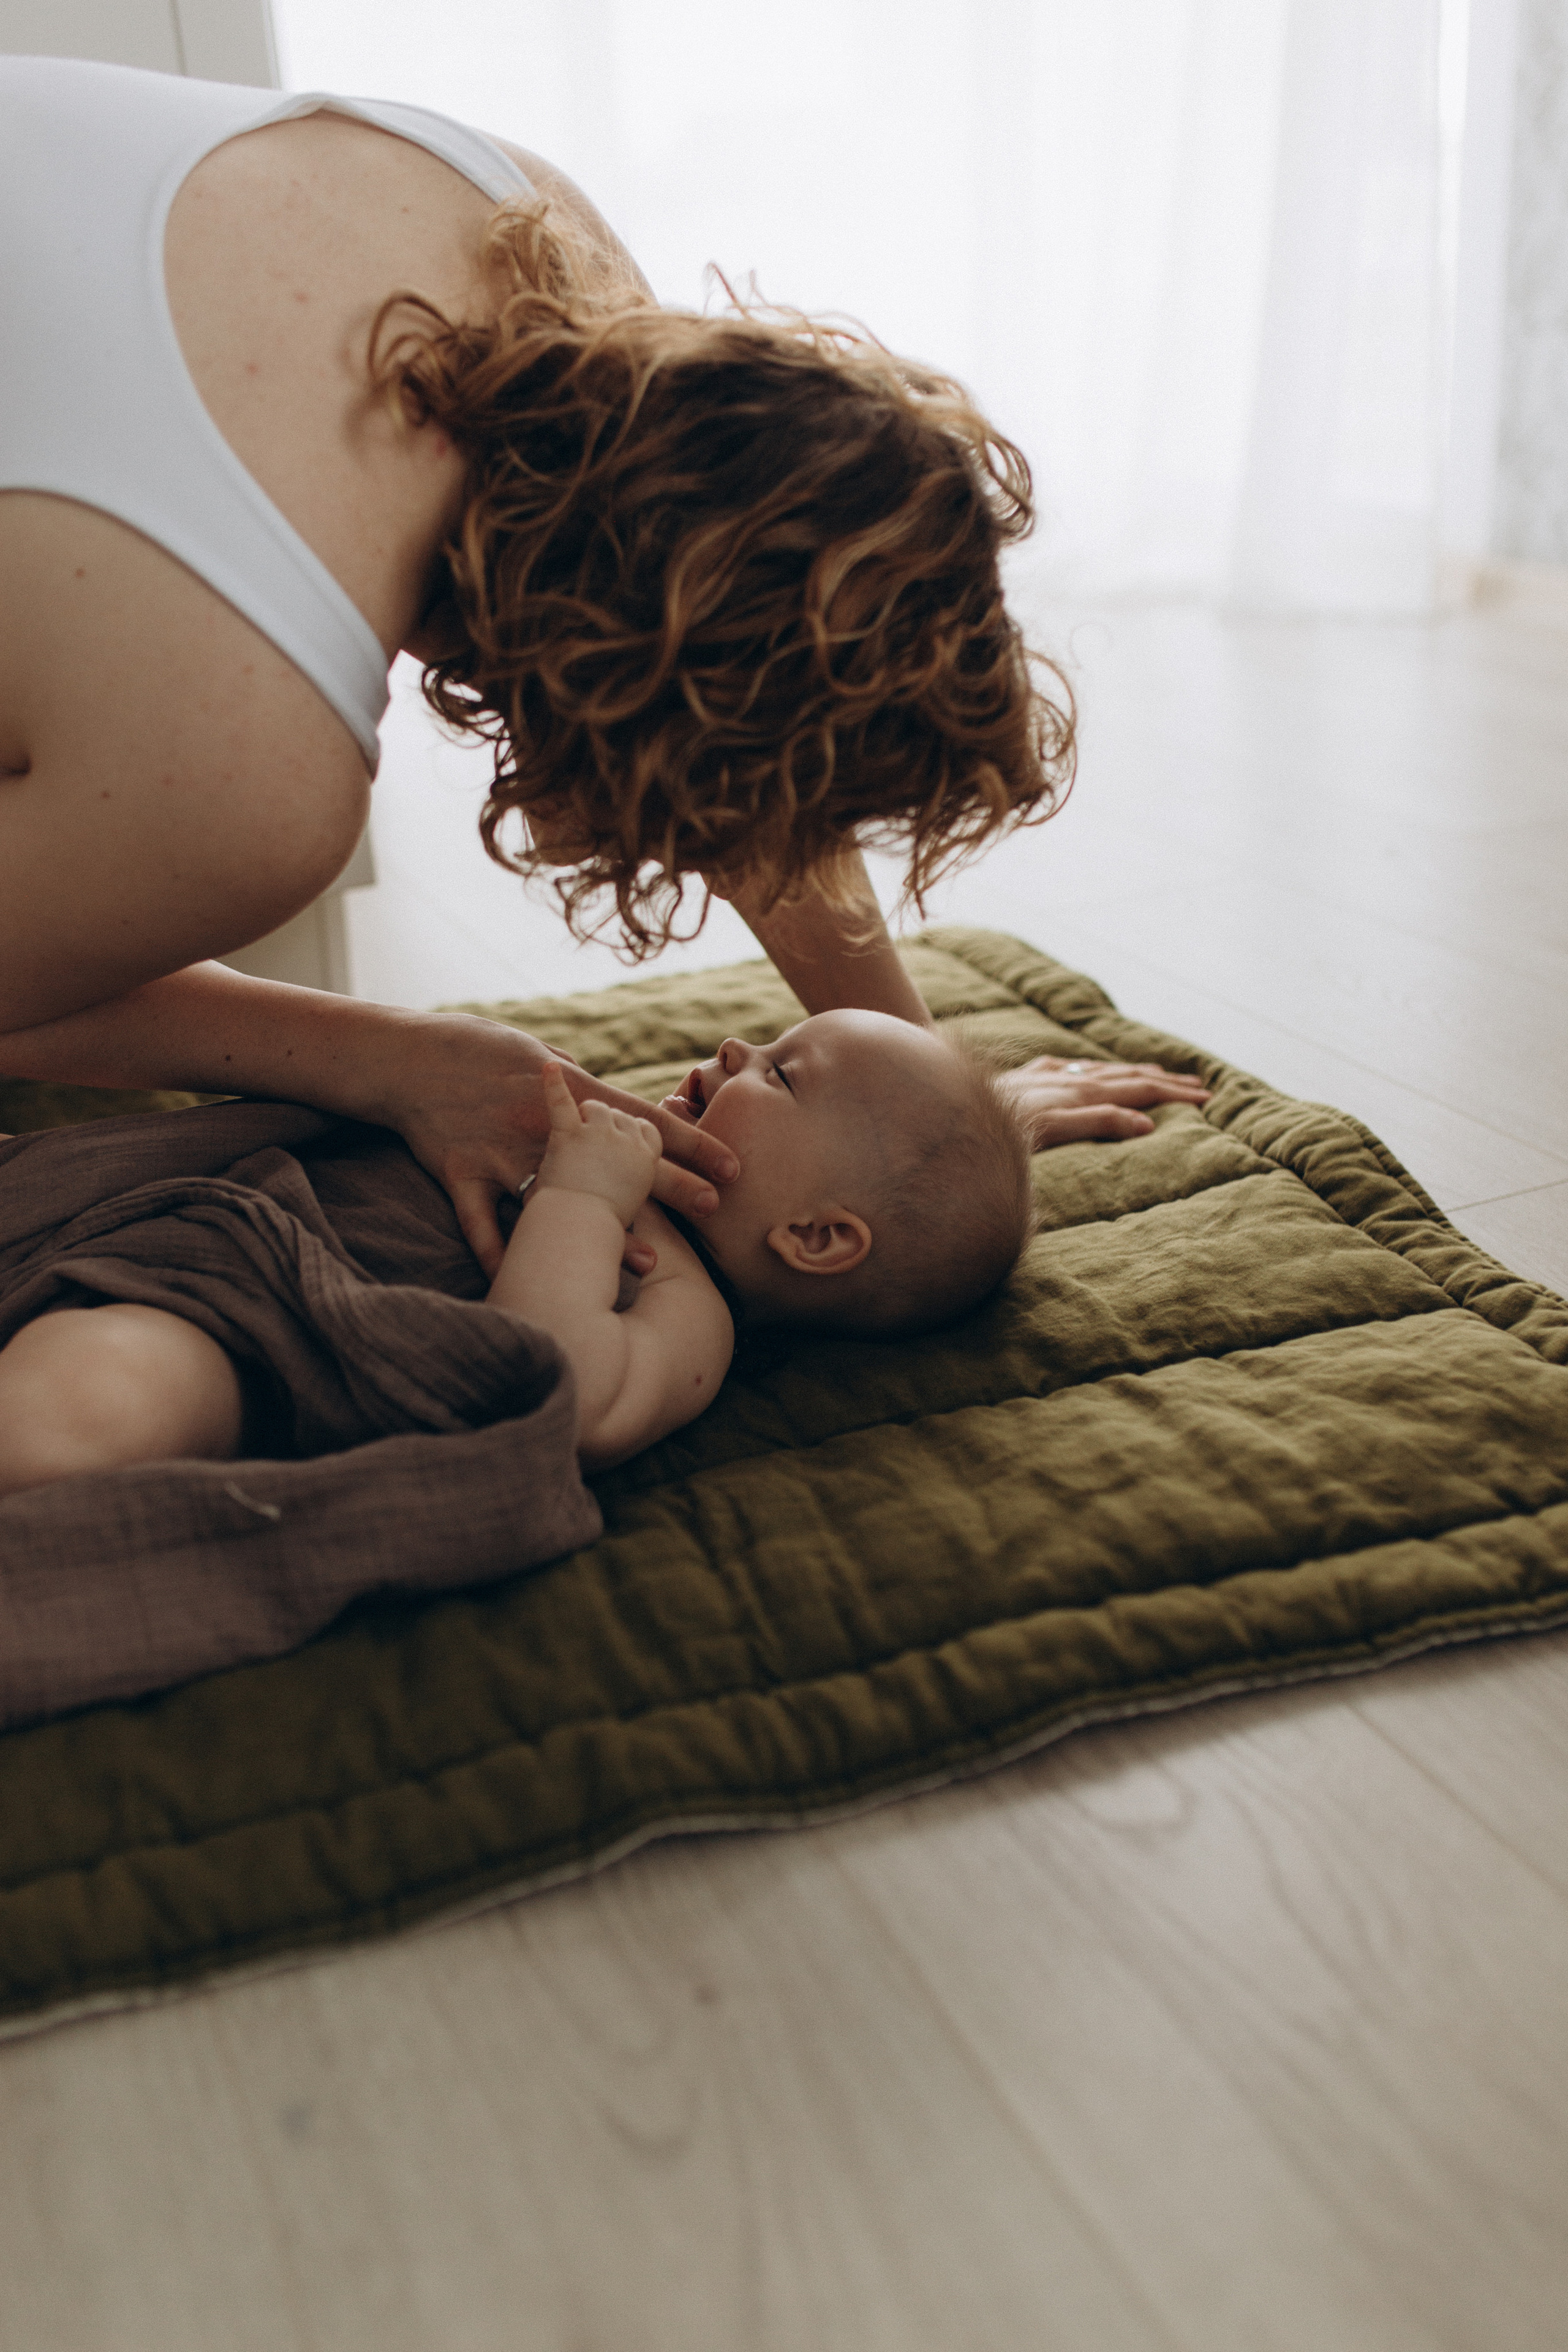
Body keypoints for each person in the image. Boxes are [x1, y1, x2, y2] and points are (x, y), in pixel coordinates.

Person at [1, 54, 1200, 1287]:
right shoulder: (244, 758)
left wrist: (921, 1114)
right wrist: (394, 1060)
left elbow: (732, 756)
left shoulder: (523, 231)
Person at [0, 1008, 1088, 1493]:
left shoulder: (689, 1315)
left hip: (255, 1332)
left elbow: (558, 1389)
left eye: (785, 1073)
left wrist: (581, 1199)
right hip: (193, 1214)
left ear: (814, 1237)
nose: (734, 1046)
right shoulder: (623, 1144)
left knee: (74, 1419)